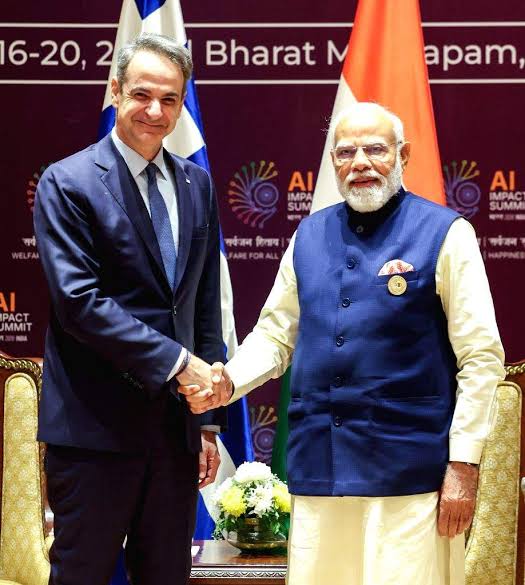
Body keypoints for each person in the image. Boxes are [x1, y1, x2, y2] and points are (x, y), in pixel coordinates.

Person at [179, 102, 505, 585]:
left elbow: (481, 357)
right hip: (320, 469)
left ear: (403, 155)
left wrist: (464, 463)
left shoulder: (447, 234)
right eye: (346, 152)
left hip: (410, 476)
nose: (360, 163)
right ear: (333, 161)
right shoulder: (309, 235)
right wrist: (229, 382)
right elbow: (275, 333)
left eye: (375, 149)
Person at [34, 33, 232, 585]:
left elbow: (203, 305)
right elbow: (79, 302)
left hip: (173, 436)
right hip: (93, 433)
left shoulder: (197, 184)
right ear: (116, 90)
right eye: (142, 95)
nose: (155, 111)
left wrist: (206, 422)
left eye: (170, 99)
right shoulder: (67, 182)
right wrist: (178, 363)